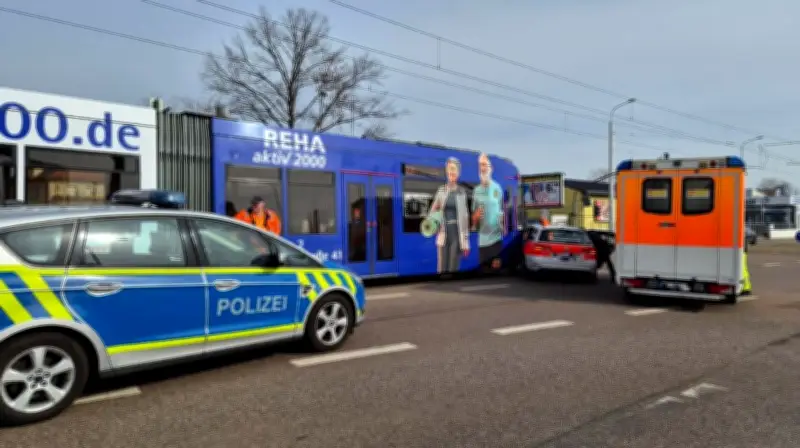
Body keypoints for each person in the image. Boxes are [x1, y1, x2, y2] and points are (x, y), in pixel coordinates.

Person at [428, 157, 470, 273]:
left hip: (457, 234)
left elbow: (465, 218)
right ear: (446, 172)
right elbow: (432, 212)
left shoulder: (462, 192)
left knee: (453, 268)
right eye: (449, 169)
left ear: (458, 172)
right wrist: (434, 224)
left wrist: (466, 243)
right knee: (442, 268)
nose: (452, 172)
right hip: (443, 233)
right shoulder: (441, 191)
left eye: (454, 169)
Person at [472, 153, 505, 270]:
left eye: (485, 164)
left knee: (495, 271)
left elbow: (502, 211)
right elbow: (473, 219)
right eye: (481, 165)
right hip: (482, 241)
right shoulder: (476, 190)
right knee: (484, 269)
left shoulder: (497, 188)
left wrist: (503, 224)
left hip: (496, 239)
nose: (483, 168)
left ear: (491, 168)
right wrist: (475, 217)